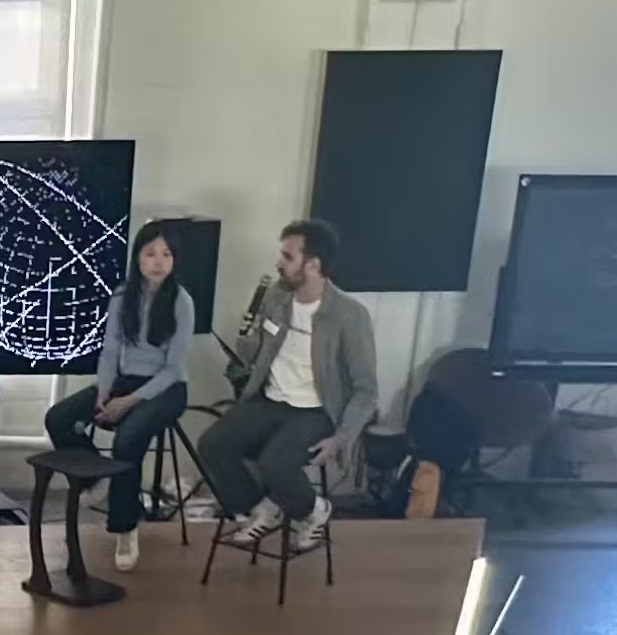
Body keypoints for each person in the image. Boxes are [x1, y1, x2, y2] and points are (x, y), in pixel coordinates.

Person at [195, 217, 378, 548]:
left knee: (275, 463)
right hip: (269, 400)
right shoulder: (277, 298)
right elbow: (254, 355)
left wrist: (342, 437)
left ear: (313, 264)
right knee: (212, 445)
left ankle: (315, 510)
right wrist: (247, 338)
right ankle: (261, 508)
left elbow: (366, 390)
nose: (279, 263)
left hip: (315, 411)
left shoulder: (349, 315)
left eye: (288, 257)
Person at [44, 219, 198, 569]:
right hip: (124, 380)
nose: (158, 261)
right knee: (59, 418)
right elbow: (110, 351)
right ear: (138, 258)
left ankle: (126, 527)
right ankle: (95, 478)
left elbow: (173, 369)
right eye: (150, 254)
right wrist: (103, 391)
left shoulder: (182, 302)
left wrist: (126, 402)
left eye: (166, 254)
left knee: (127, 439)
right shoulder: (121, 297)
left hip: (168, 389)